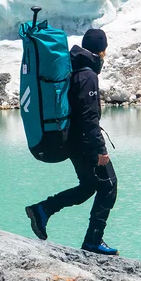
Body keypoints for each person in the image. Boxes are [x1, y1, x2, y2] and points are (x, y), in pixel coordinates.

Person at [25, 28, 118, 255]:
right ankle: (93, 241)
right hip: (85, 142)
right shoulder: (87, 75)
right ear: (102, 50)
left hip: (73, 141)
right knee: (109, 187)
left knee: (88, 187)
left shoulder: (74, 69)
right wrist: (100, 149)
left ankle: (43, 210)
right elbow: (88, 117)